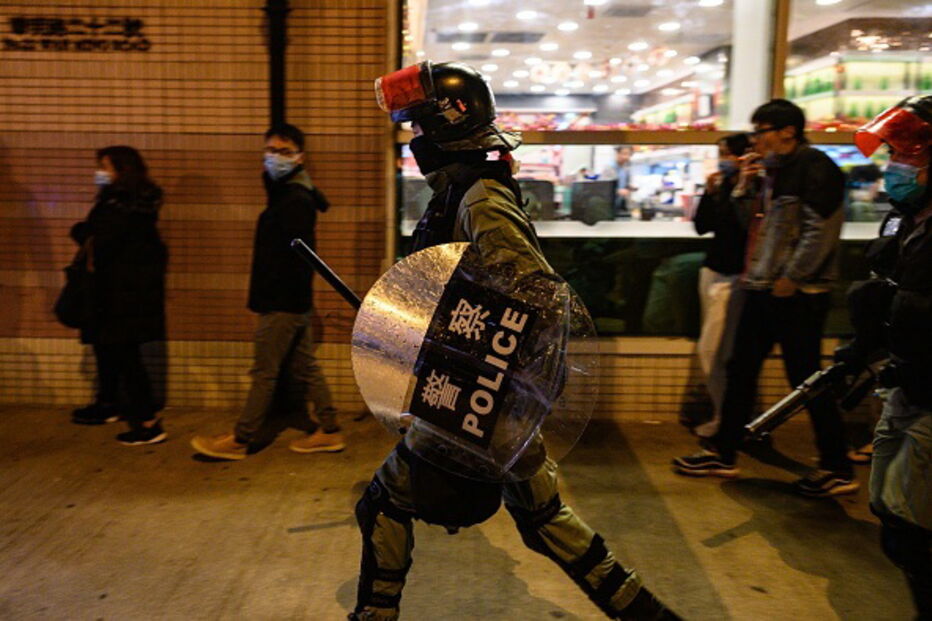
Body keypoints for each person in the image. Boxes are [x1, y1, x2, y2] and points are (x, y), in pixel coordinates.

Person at [350, 60, 679, 621]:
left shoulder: (480, 200)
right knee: (543, 519)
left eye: (418, 127)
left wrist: (474, 370)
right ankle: (643, 612)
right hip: (495, 399)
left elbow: (536, 299)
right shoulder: (466, 189)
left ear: (448, 124)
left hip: (477, 400)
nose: (412, 140)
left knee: (384, 502)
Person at [673, 99, 857, 498]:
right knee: (741, 369)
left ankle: (837, 465)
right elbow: (747, 228)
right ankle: (724, 453)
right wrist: (744, 188)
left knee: (806, 380)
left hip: (798, 293)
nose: (756, 140)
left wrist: (792, 277)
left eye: (761, 131)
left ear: (787, 131)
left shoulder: (815, 167)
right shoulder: (772, 171)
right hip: (760, 285)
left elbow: (820, 229)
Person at [190, 124, 343, 460]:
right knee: (306, 367)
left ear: (300, 157)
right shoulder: (289, 194)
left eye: (285, 151)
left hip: (282, 302)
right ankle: (329, 431)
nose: (275, 157)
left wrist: (273, 299)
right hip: (294, 299)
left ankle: (241, 439)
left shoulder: (294, 200)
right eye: (270, 150)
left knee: (264, 372)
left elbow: (291, 257)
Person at [843, 95, 932, 617]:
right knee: (889, 510)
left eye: (907, 156)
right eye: (893, 155)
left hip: (929, 390)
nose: (895, 167)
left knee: (909, 522)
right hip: (905, 385)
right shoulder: (903, 222)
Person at [69, 146, 168, 445]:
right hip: (125, 294)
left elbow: (102, 239)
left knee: (126, 356)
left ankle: (148, 423)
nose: (100, 173)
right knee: (108, 349)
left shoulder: (117, 207)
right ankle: (108, 402)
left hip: (117, 296)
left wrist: (81, 231)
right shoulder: (137, 205)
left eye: (105, 167)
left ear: (120, 171)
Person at [691, 133, 752, 439]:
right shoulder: (725, 186)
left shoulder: (753, 190)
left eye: (727, 154)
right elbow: (702, 226)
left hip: (733, 277)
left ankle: (725, 421)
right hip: (714, 270)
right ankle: (725, 418)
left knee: (715, 351)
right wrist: (710, 192)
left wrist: (739, 190)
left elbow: (741, 228)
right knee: (712, 350)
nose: (723, 160)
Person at [601, 146, 635, 217]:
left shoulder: (625, 168)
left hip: (619, 205)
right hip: (607, 206)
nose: (626, 157)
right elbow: (603, 189)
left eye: (629, 154)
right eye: (624, 154)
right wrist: (618, 191)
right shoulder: (609, 168)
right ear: (617, 154)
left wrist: (630, 187)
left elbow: (625, 185)